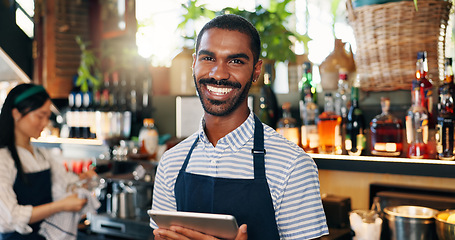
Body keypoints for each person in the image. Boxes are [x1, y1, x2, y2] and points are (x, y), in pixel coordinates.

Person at [151, 14, 329, 240]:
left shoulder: (292, 166)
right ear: (194, 63)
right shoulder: (171, 163)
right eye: (208, 58)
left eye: (235, 61)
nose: (219, 74)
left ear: (256, 70)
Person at [0, 83, 96, 239]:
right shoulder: (3, 158)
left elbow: (65, 184)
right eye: (40, 116)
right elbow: (10, 217)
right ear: (16, 114)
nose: (45, 123)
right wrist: (60, 206)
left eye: (47, 116)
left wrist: (81, 182)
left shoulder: (42, 155)